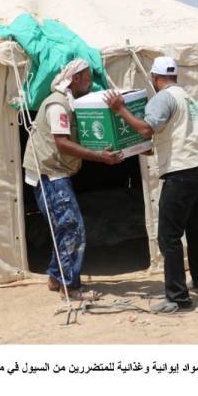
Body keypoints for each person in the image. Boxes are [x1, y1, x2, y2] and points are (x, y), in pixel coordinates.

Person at [104, 56, 198, 313]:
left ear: (154, 77)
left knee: (168, 236)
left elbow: (147, 129)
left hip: (182, 173)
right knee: (195, 228)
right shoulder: (186, 98)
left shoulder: (163, 98)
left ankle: (178, 298)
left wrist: (120, 109)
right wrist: (140, 149)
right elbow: (169, 137)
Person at [22, 58, 123, 300]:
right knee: (73, 229)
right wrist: (100, 157)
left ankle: (56, 277)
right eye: (87, 79)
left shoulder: (67, 103)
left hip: (53, 173)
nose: (90, 84)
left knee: (64, 227)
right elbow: (62, 143)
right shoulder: (58, 105)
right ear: (75, 79)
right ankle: (70, 287)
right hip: (50, 175)